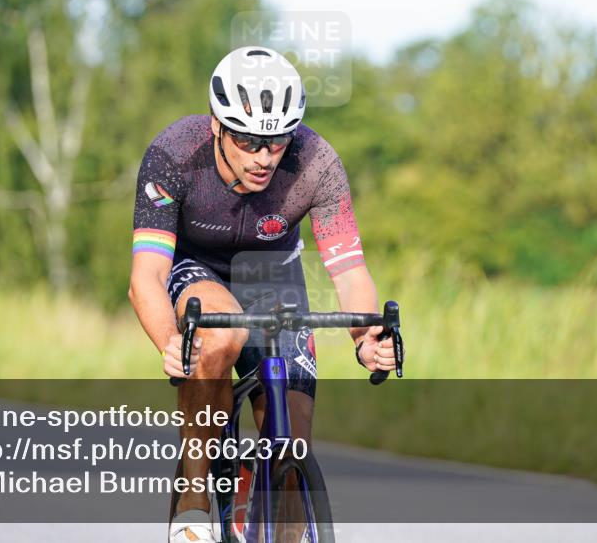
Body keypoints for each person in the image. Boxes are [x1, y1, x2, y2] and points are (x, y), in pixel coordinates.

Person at [128, 46, 396, 543]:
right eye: (248, 140)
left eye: (276, 141)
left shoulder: (316, 161)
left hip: (273, 274)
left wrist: (365, 337)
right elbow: (145, 277)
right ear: (217, 125)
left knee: (291, 440)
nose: (264, 156)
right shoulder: (173, 154)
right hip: (197, 269)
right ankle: (193, 496)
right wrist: (170, 340)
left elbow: (349, 269)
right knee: (220, 337)